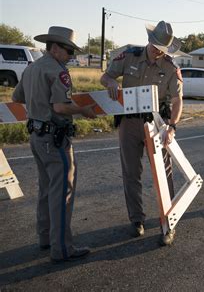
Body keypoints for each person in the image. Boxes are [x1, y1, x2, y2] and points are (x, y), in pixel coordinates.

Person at [12, 26, 97, 263]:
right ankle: (62, 249)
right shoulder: (59, 72)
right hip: (55, 138)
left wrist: (36, 101)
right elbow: (60, 107)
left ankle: (45, 238)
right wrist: (82, 110)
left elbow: (16, 97)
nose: (71, 56)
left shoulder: (32, 69)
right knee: (62, 194)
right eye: (69, 50)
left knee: (46, 188)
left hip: (36, 137)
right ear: (56, 47)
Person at [100, 21, 183, 245]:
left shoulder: (170, 67)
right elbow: (105, 77)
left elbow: (176, 100)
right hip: (129, 123)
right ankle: (136, 220)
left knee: (164, 175)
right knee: (131, 172)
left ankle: (169, 223)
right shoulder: (129, 56)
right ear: (149, 40)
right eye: (156, 46)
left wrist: (172, 126)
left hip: (158, 124)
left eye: (163, 49)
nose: (158, 51)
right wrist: (110, 83)